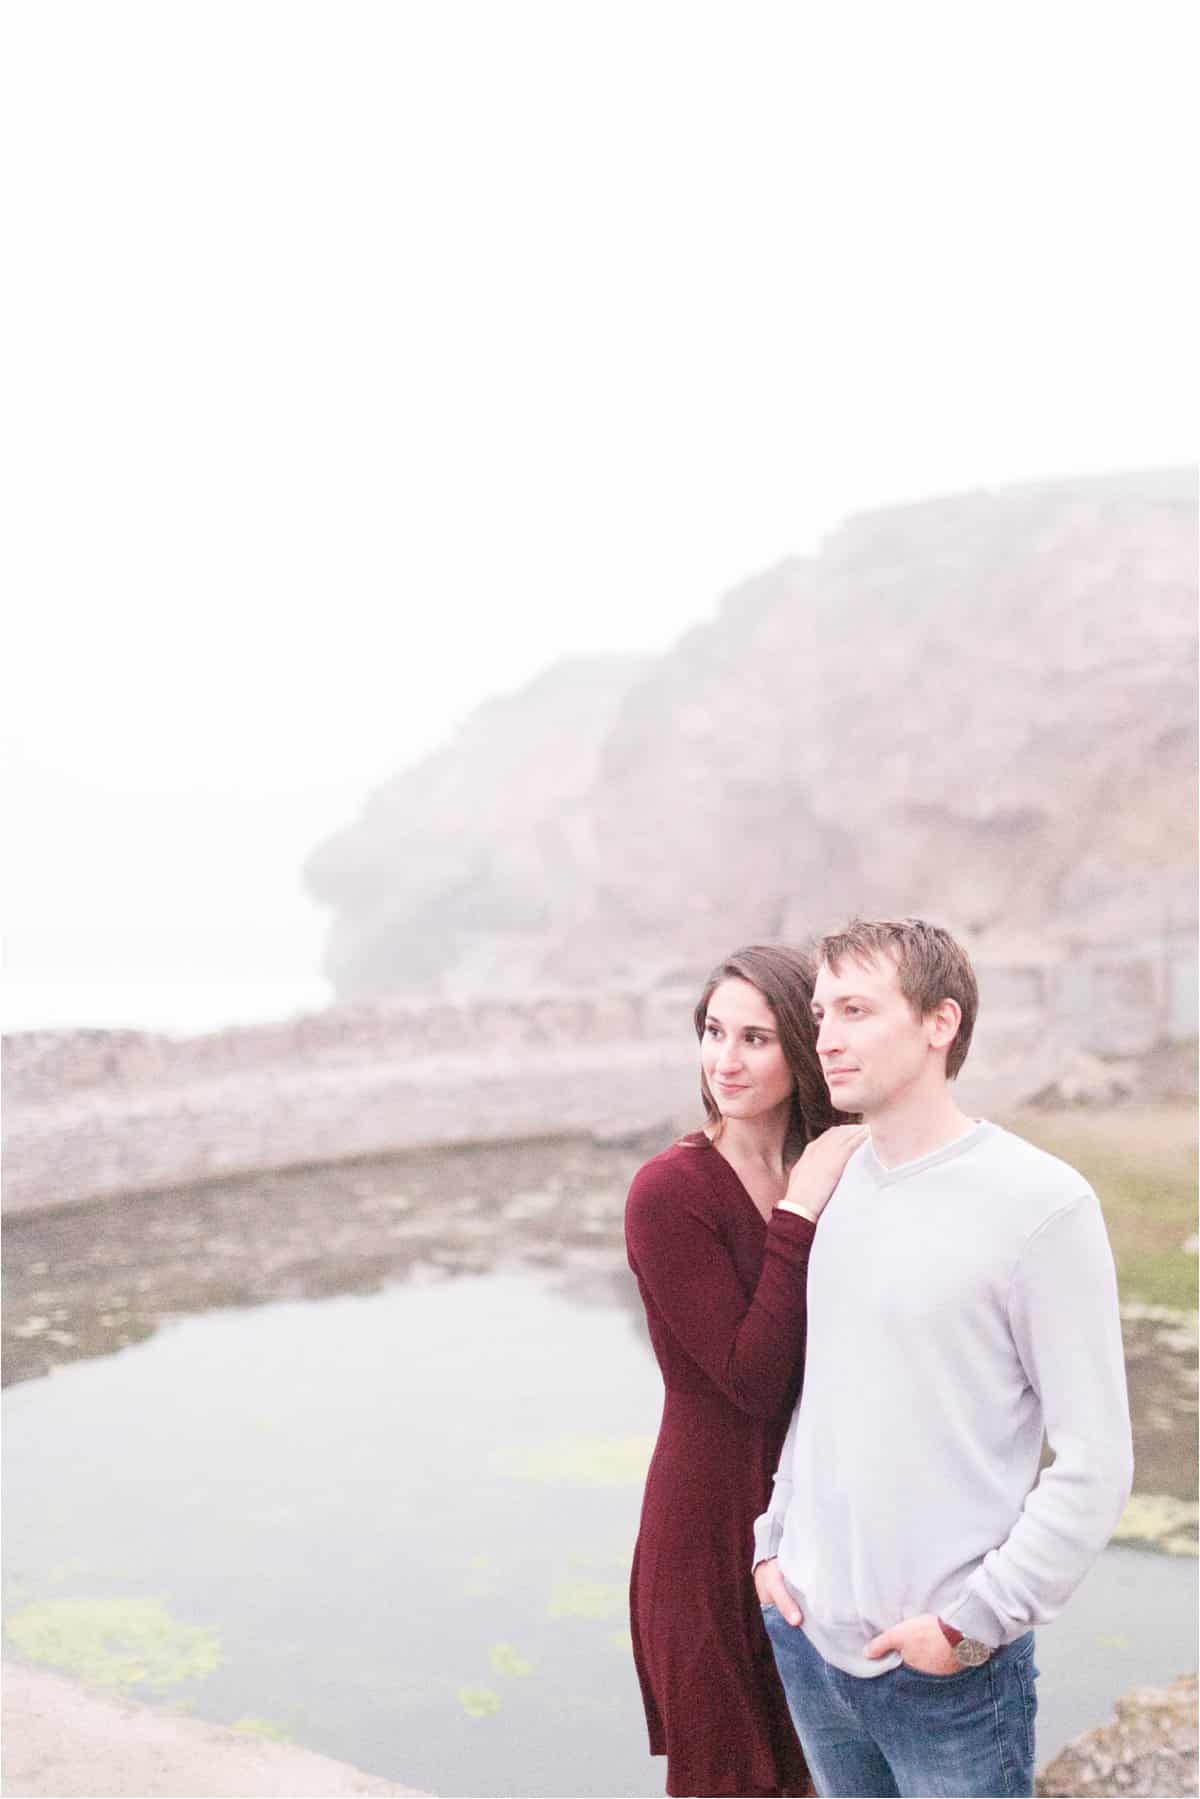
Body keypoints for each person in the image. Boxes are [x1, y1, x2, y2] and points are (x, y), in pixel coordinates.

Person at [755, 918, 1134, 1799]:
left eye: (856, 1008)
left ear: (940, 1022)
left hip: (948, 1674)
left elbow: (1098, 1460)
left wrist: (971, 1626)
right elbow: (828, 1392)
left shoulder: (1042, 1203)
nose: (828, 1038)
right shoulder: (840, 1178)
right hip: (811, 1644)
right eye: (820, 1013)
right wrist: (774, 1545)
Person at [625, 945, 866, 1798]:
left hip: (815, 1525)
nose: (725, 1059)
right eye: (713, 1031)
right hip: (707, 1528)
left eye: (755, 1038)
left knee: (817, 1776)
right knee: (732, 1781)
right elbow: (753, 1378)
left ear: (803, 1048)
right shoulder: (670, 1191)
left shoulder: (843, 1171)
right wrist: (800, 1208)